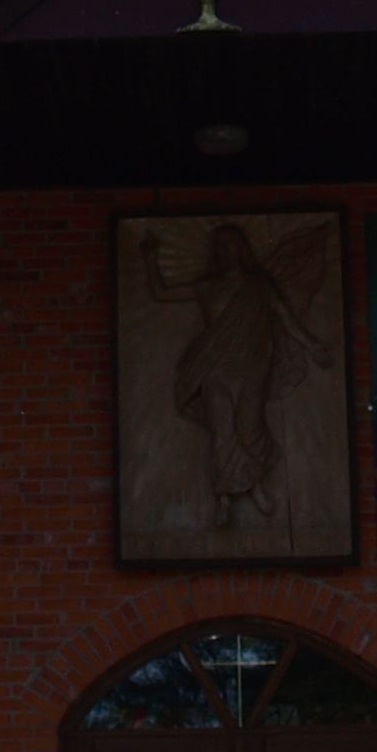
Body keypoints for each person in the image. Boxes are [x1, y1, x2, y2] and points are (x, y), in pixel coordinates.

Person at [148, 221, 323, 528]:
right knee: (223, 431)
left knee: (248, 429)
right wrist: (149, 258)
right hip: (214, 368)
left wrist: (313, 346)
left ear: (242, 248)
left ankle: (252, 483)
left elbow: (286, 319)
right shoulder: (208, 286)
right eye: (222, 246)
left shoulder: (260, 285)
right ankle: (224, 500)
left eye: (233, 245)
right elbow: (162, 293)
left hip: (252, 368)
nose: (228, 251)